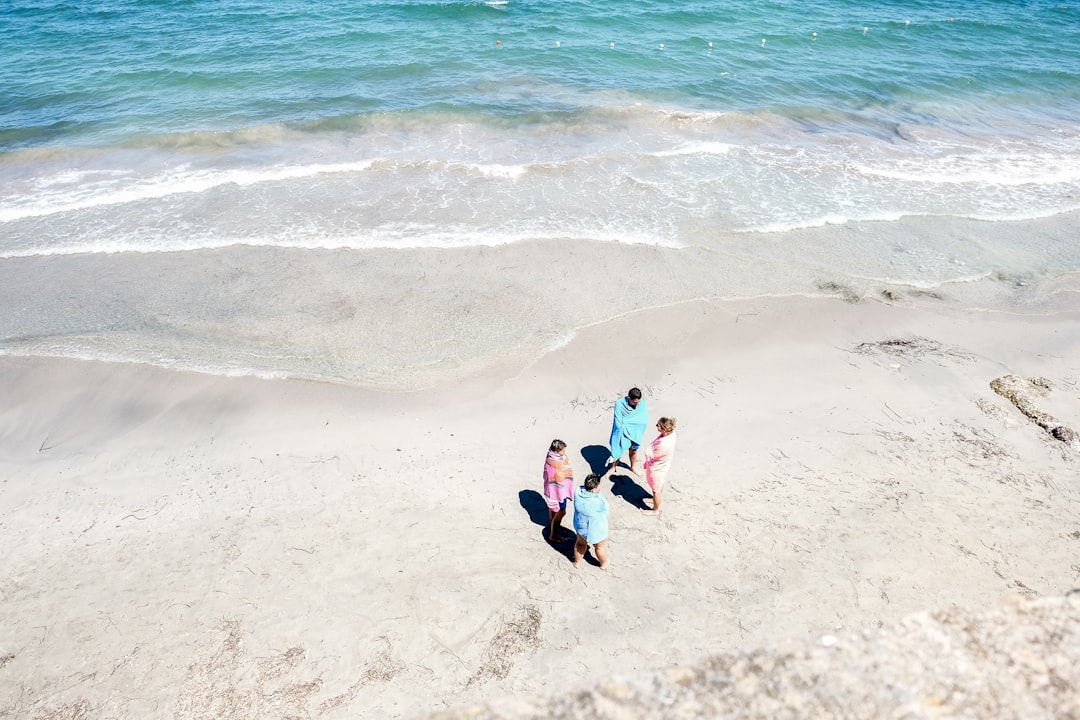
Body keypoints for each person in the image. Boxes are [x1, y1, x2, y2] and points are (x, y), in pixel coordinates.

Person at [605, 387, 649, 476]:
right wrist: (627, 428)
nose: (637, 404)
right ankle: (613, 467)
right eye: (634, 402)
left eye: (638, 401)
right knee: (618, 450)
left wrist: (633, 427)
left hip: (636, 433)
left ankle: (633, 467)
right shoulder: (620, 404)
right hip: (622, 432)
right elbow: (618, 422)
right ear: (629, 398)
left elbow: (643, 419)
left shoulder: (642, 404)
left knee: (633, 451)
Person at [642, 417, 677, 515]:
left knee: (656, 489)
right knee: (660, 484)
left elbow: (654, 455)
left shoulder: (664, 445)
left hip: (657, 468)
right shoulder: (672, 434)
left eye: (659, 426)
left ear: (665, 429)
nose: (657, 427)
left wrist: (648, 457)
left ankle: (655, 510)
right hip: (664, 465)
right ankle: (654, 499)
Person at [573, 473, 609, 568]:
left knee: (580, 544)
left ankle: (577, 562)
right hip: (596, 530)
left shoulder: (578, 492)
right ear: (594, 489)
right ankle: (604, 564)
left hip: (581, 527)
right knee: (599, 547)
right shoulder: (598, 503)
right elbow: (606, 509)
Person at [542, 439, 574, 542]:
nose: (564, 453)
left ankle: (552, 524)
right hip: (559, 490)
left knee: (552, 508)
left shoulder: (549, 456)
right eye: (562, 451)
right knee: (561, 512)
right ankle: (553, 534)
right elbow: (563, 471)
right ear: (556, 451)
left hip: (550, 488)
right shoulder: (558, 461)